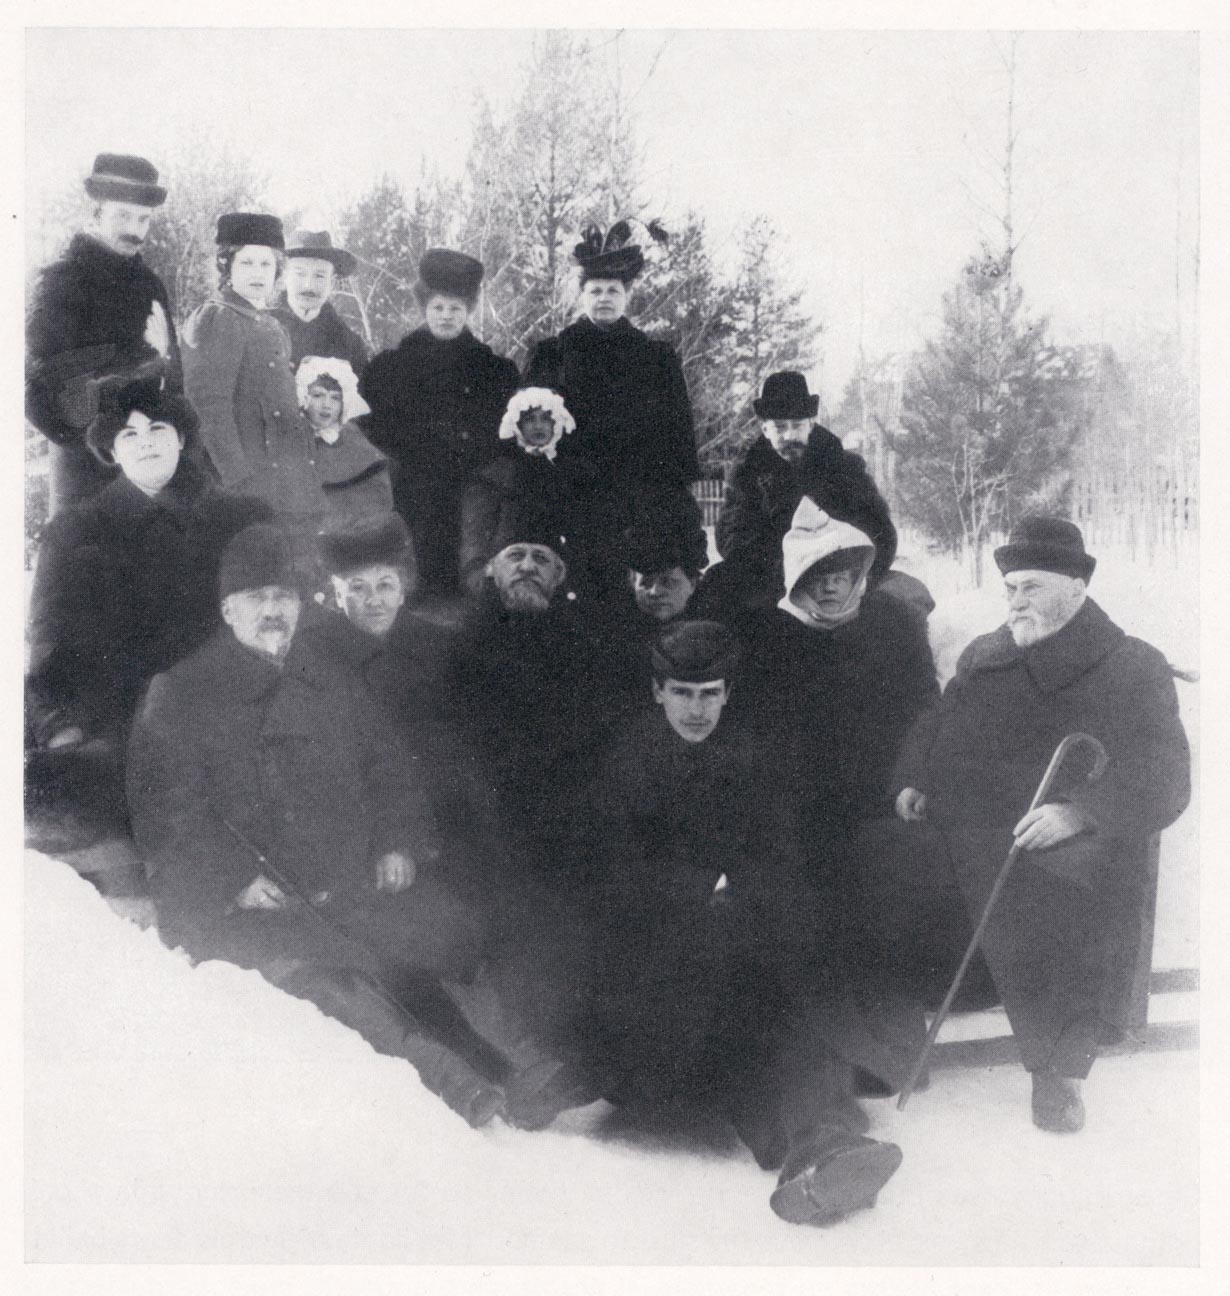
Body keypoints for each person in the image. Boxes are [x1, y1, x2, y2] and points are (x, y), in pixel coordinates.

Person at [126, 523, 526, 1127]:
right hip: (244, 902)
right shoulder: (182, 692)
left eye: (284, 598)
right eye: (258, 599)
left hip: (342, 879)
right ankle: (449, 1086)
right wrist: (233, 879)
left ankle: (507, 1072)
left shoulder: (326, 674)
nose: (273, 612)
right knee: (334, 986)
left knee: (433, 941)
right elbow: (164, 813)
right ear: (228, 608)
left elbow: (386, 761)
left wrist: (398, 840)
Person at [577, 620, 918, 1227]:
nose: (696, 708)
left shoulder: (760, 758)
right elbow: (609, 876)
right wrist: (699, 888)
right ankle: (813, 1149)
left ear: (729, 692)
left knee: (789, 1017)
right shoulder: (625, 763)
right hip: (655, 964)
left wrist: (751, 898)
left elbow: (783, 856)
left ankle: (823, 1152)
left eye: (710, 693)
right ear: (657, 692)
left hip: (745, 936)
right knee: (736, 1025)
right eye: (681, 692)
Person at [856, 517, 1191, 1132]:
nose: (1015, 602)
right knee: (880, 859)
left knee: (1038, 887)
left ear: (1077, 587)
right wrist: (915, 775)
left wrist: (1079, 814)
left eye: (1030, 587)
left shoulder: (1132, 666)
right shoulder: (989, 655)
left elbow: (1165, 778)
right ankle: (888, 1044)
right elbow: (939, 723)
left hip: (1072, 846)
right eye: (1009, 587)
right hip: (975, 826)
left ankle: (1056, 1071)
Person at [25, 380, 270, 894]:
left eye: (158, 427)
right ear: (111, 451)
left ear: (182, 438)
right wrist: (70, 725)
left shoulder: (238, 519)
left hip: (225, 702)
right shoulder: (74, 533)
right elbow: (51, 651)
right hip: (116, 713)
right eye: (129, 434)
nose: (147, 441)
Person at [735, 497, 939, 876]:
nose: (830, 586)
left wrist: (912, 776)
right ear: (797, 579)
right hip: (796, 813)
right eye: (818, 575)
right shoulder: (768, 637)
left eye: (841, 576)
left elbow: (927, 708)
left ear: (858, 578)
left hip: (883, 801)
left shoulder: (892, 626)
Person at [360, 248, 519, 599]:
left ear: (469, 310)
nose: (446, 316)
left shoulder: (493, 371)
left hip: (468, 486)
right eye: (438, 308)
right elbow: (373, 431)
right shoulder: (390, 368)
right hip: (411, 489)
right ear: (424, 308)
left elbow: (504, 437)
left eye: (455, 309)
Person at [26, 153, 181, 512]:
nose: (135, 230)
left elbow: (177, 387)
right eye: (122, 215)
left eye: (143, 219)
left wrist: (167, 363)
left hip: (151, 477)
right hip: (86, 479)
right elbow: (35, 389)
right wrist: (107, 441)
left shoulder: (150, 285)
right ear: (95, 213)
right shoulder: (61, 282)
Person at [523, 220, 699, 531]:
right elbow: (528, 431)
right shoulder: (552, 354)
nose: (604, 298)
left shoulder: (656, 359)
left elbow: (677, 436)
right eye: (596, 291)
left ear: (627, 296)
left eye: (613, 291)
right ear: (583, 296)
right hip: (572, 499)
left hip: (639, 500)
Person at [704, 370, 897, 620]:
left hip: (838, 578)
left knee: (897, 606)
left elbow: (878, 529)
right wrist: (787, 570)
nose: (790, 436)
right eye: (780, 427)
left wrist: (849, 571)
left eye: (797, 425)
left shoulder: (844, 468)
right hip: (774, 581)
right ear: (765, 429)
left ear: (811, 424)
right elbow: (732, 538)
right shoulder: (748, 474)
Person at [181, 212, 323, 532]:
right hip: (243, 485)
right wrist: (239, 482)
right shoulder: (219, 317)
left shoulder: (271, 324)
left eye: (266, 264)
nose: (257, 273)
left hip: (284, 481)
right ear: (226, 267)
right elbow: (208, 406)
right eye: (246, 263)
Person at [458, 386, 617, 600]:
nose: (538, 426)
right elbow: (475, 534)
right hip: (510, 574)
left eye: (546, 420)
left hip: (564, 576)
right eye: (530, 420)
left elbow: (591, 530)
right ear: (518, 425)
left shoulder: (576, 472)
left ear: (556, 424)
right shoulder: (496, 475)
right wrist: (478, 574)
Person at [295, 357, 391, 528]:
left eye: (335, 398)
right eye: (318, 395)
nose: (327, 405)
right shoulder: (293, 437)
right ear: (304, 397)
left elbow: (378, 505)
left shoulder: (354, 442)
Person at [270, 228, 368, 377]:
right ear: (284, 276)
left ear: (332, 282)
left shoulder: (349, 344)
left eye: (319, 276)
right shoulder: (260, 328)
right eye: (300, 274)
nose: (308, 285)